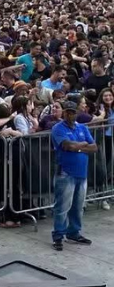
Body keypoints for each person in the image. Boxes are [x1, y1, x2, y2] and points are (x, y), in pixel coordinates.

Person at [50, 101, 97, 251]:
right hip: (65, 172)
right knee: (62, 206)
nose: (70, 115)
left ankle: (73, 232)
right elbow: (67, 145)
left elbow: (94, 147)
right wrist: (83, 145)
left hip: (81, 173)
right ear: (64, 113)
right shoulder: (58, 128)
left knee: (78, 206)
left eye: (73, 112)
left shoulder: (82, 127)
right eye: (68, 112)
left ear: (77, 113)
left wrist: (78, 147)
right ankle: (58, 235)